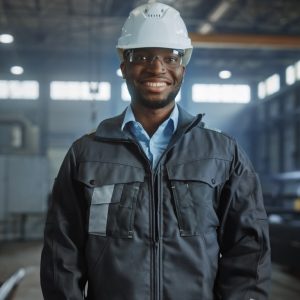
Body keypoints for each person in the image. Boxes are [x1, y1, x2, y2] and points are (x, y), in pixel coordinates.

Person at [40, 2, 271, 300]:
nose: (157, 67)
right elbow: (62, 255)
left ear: (182, 70)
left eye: (170, 57)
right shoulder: (86, 154)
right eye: (142, 56)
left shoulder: (224, 154)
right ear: (124, 67)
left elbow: (249, 251)